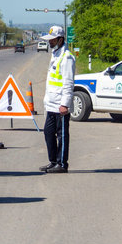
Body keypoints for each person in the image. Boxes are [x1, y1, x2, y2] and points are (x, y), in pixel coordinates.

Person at [39, 25, 76, 173]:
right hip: (51, 103)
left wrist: (65, 104)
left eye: (52, 40)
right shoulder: (55, 54)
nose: (50, 42)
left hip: (60, 104)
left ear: (60, 40)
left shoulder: (67, 58)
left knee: (62, 135)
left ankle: (62, 164)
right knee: (48, 132)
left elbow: (68, 82)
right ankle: (53, 161)